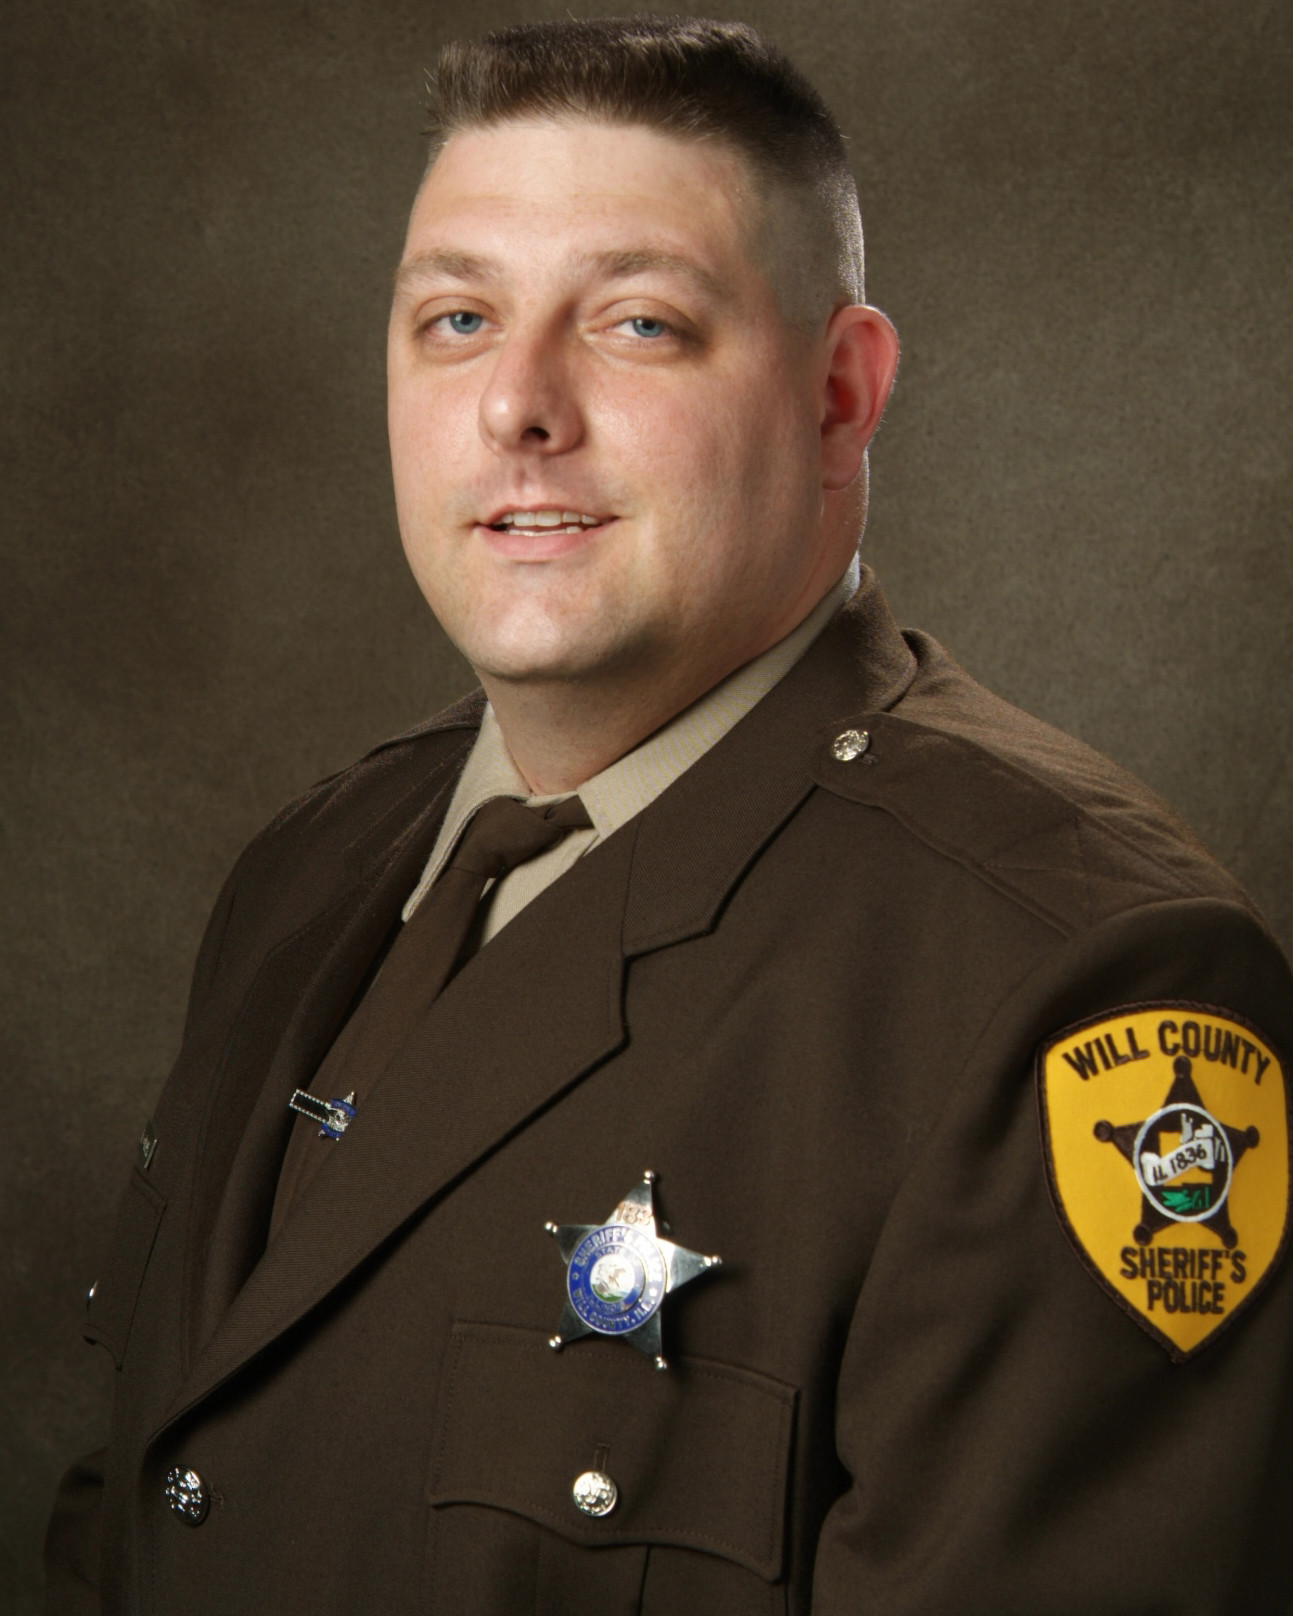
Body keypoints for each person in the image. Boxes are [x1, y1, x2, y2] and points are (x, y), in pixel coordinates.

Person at [44, 17, 1293, 1616]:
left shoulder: (1072, 978)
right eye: (456, 319)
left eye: (636, 323)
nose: (516, 406)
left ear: (838, 394)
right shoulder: (310, 868)